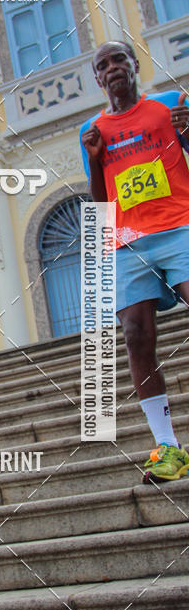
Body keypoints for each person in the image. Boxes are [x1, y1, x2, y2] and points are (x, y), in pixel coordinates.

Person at [80, 40, 189, 483]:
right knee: (135, 336)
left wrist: (187, 133)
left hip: (179, 226)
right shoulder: (93, 130)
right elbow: (100, 201)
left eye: (119, 59)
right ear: (97, 78)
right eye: (103, 65)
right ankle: (169, 448)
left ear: (134, 64)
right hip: (126, 241)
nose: (112, 68)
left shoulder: (170, 105)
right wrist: (93, 160)